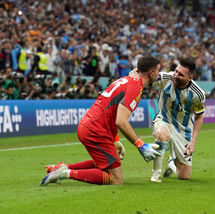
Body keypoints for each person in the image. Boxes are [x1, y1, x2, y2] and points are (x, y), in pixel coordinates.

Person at [40, 55, 161, 186]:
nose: (159, 74)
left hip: (88, 125)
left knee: (104, 162)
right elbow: (121, 121)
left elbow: (111, 110)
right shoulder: (135, 87)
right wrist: (140, 145)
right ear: (152, 72)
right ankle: (65, 173)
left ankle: (63, 167)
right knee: (116, 179)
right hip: (96, 130)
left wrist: (115, 139)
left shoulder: (127, 79)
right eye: (158, 70)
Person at [150, 57, 206, 182]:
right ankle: (156, 175)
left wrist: (193, 142)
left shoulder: (198, 94)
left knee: (184, 175)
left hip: (183, 130)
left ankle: (171, 162)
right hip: (163, 119)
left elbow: (199, 116)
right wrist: (136, 71)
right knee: (161, 134)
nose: (175, 75)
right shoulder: (166, 78)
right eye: (175, 71)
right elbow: (147, 77)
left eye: (180, 74)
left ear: (190, 77)